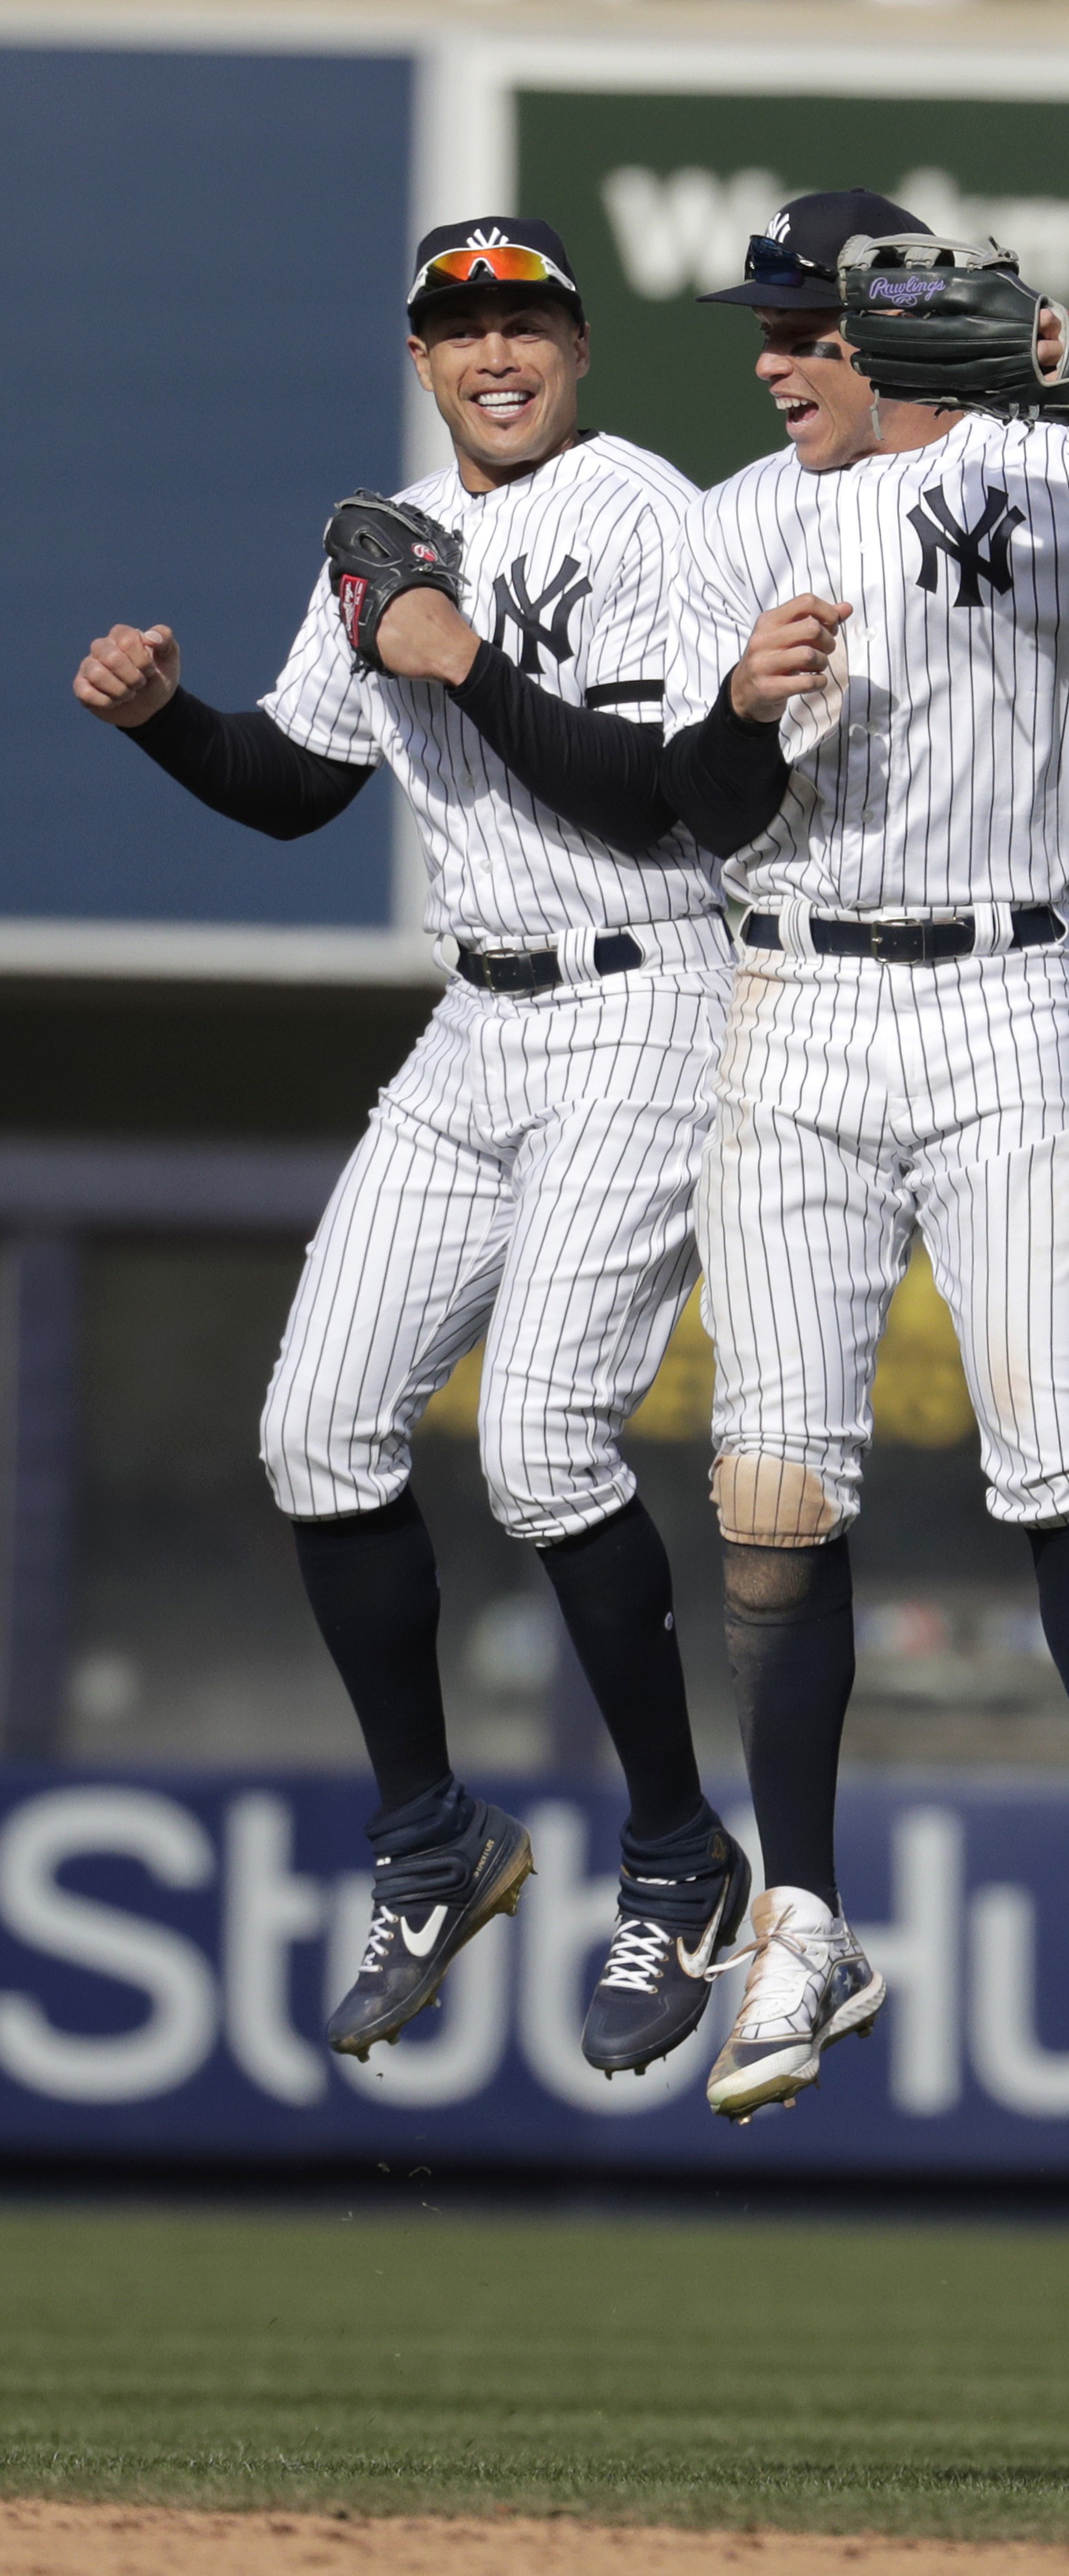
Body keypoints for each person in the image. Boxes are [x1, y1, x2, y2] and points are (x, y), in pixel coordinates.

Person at [420, 183, 1069, 2120]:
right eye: (760, 332)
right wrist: (743, 712)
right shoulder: (738, 521)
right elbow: (685, 802)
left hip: (1002, 978)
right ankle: (806, 1917)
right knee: (772, 1486)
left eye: (805, 332)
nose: (769, 365)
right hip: (792, 992)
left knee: (1057, 1445)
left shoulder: (1057, 467)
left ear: (902, 330)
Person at [70, 217, 832, 2078]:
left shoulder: (648, 509)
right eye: (456, 327)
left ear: (576, 343)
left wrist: (456, 646)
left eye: (524, 321)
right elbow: (296, 786)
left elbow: (664, 796)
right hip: (477, 1009)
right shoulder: (386, 530)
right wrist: (171, 723)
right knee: (315, 1427)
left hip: (649, 982)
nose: (493, 352)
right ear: (420, 356)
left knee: (544, 1433)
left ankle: (676, 1854)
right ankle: (432, 1831)